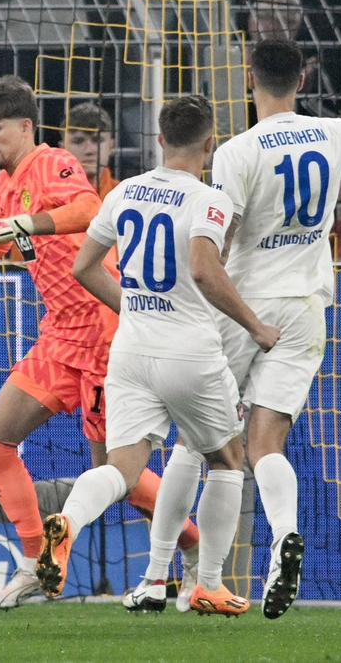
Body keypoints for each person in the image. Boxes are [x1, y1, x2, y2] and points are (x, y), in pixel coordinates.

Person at [0, 75, 198, 610]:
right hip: (58, 335)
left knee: (114, 476)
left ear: (26, 126)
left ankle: (193, 545)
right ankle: (34, 565)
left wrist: (21, 223)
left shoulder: (53, 164)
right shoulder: (0, 187)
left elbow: (88, 210)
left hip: (105, 331)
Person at [161, 38, 341, 621]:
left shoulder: (236, 152)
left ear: (248, 82)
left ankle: (169, 577)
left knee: (199, 440)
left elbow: (220, 239)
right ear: (301, 82)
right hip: (308, 308)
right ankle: (284, 534)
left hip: (245, 307)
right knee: (265, 445)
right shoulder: (327, 135)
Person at [37, 94, 277, 616]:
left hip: (130, 350)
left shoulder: (124, 192)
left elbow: (83, 268)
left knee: (123, 470)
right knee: (228, 458)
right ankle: (208, 583)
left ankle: (69, 523)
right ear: (210, 144)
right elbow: (204, 270)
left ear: (161, 140)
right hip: (188, 351)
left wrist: (136, 306)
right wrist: (255, 326)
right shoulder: (208, 200)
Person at [63, 102, 120, 197]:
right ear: (63, 149)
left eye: (97, 140)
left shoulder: (125, 197)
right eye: (78, 141)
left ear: (111, 146)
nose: (89, 150)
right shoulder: (44, 197)